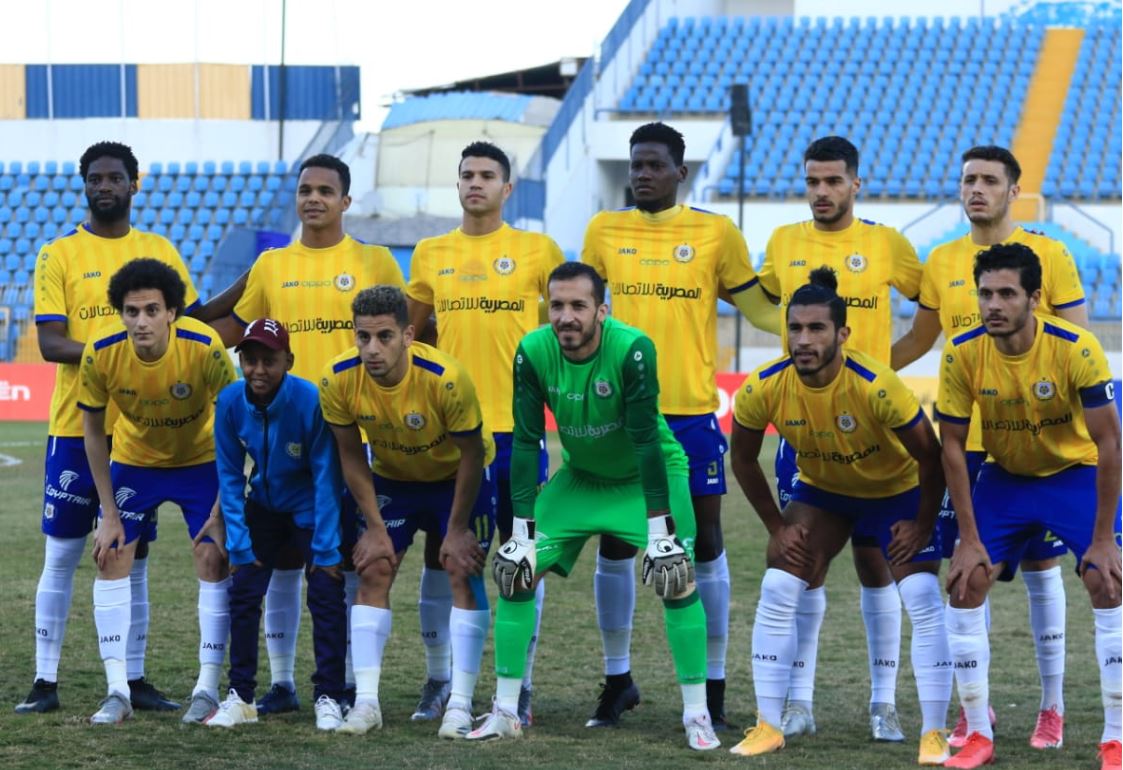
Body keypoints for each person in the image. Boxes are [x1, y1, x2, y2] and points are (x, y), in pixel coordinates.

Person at [465, 262, 719, 751]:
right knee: (515, 572)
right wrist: (521, 531)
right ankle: (506, 711)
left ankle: (697, 714)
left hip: (647, 478)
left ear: (601, 311)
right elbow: (526, 442)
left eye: (578, 305)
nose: (566, 316)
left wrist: (660, 530)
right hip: (581, 478)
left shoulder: (632, 349)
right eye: (557, 305)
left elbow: (646, 442)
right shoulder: (532, 351)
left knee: (676, 577)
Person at [580, 121, 779, 729]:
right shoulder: (603, 230)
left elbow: (761, 310)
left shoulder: (716, 233)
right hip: (621, 415)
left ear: (680, 173)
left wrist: (822, 309)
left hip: (691, 412)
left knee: (705, 543)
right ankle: (618, 680)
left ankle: (713, 692)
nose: (642, 174)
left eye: (654, 165)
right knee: (616, 541)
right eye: (635, 165)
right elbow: (577, 311)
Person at [891, 145, 1089, 749]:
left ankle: (1051, 707)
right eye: (968, 180)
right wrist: (857, 371)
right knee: (966, 573)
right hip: (965, 444)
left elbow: (1076, 340)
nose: (975, 189)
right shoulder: (942, 260)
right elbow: (920, 340)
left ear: (1013, 190)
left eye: (988, 180)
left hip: (1036, 444)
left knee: (1041, 570)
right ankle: (974, 708)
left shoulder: (1049, 255)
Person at [727, 268, 952, 764]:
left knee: (919, 593)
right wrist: (777, 527)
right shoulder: (764, 385)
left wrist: (922, 524)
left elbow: (931, 457)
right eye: (795, 328)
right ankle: (768, 725)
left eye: (817, 328)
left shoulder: (877, 385)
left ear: (842, 334)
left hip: (895, 492)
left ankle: (934, 732)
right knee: (778, 581)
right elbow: (741, 458)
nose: (803, 340)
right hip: (825, 492)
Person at [210, 153, 405, 715]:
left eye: (325, 190)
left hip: (354, 434)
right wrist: (182, 323)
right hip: (287, 431)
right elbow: (237, 328)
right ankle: (281, 683)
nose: (313, 198)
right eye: (305, 190)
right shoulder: (272, 264)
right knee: (283, 566)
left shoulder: (374, 260)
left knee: (346, 561)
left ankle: (347, 684)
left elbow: (401, 333)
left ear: (346, 200)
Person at [17, 141, 200, 715]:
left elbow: (189, 324)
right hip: (77, 427)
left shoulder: (158, 250)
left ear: (133, 184)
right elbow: (51, 343)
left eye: (114, 178)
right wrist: (123, 352)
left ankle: (135, 678)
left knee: (133, 556)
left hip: (143, 432)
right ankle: (44, 682)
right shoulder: (58, 253)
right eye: (94, 178)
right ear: (84, 185)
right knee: (63, 555)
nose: (104, 186)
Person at [758, 136, 923, 740]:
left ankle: (884, 703)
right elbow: (762, 304)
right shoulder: (783, 242)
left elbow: (929, 308)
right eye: (812, 181)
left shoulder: (887, 243)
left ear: (856, 184)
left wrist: (886, 367)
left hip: (874, 430)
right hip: (806, 431)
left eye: (833, 181)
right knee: (803, 562)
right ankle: (798, 702)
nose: (822, 192)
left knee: (877, 564)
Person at [936, 242, 1121, 770]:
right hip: (1007, 479)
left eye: (1006, 294)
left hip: (1074, 475)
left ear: (1035, 298)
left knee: (1108, 581)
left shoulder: (1076, 348)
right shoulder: (962, 351)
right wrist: (968, 538)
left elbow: (1110, 443)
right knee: (965, 583)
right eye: (985, 294)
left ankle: (1115, 738)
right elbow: (953, 447)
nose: (993, 305)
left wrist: (1103, 539)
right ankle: (977, 734)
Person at [405, 141, 563, 726]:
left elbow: (565, 331)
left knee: (523, 558)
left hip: (518, 434)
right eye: (467, 174)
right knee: (446, 555)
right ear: (458, 184)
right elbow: (411, 338)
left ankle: (520, 686)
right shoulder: (431, 252)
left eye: (487, 175)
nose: (476, 182)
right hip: (454, 435)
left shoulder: (537, 250)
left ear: (507, 188)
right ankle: (440, 680)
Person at [319, 286, 496, 739]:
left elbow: (473, 455)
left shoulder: (446, 378)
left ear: (408, 335)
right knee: (374, 567)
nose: (372, 349)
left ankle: (459, 703)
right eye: (363, 337)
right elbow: (350, 455)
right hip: (394, 480)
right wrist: (375, 529)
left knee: (461, 566)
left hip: (455, 478)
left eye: (384, 337)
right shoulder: (337, 378)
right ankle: (367, 703)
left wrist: (457, 528)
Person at [77, 258, 236, 724]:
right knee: (111, 554)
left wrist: (223, 508)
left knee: (213, 555)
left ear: (172, 313)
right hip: (135, 462)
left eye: (151, 310)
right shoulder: (101, 351)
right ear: (121, 314)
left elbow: (235, 427)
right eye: (131, 311)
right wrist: (108, 514)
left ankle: (207, 687)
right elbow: (93, 433)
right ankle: (117, 692)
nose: (141, 321)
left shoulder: (204, 347)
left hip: (201, 461)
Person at [205, 318, 347, 730]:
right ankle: (242, 697)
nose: (258, 370)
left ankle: (329, 695)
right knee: (243, 591)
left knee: (326, 591)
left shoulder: (309, 400)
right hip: (264, 504)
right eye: (250, 360)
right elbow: (229, 475)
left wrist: (325, 547)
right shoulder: (230, 401)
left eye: (269, 360)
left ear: (289, 360)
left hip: (309, 507)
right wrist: (239, 543)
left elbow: (326, 474)